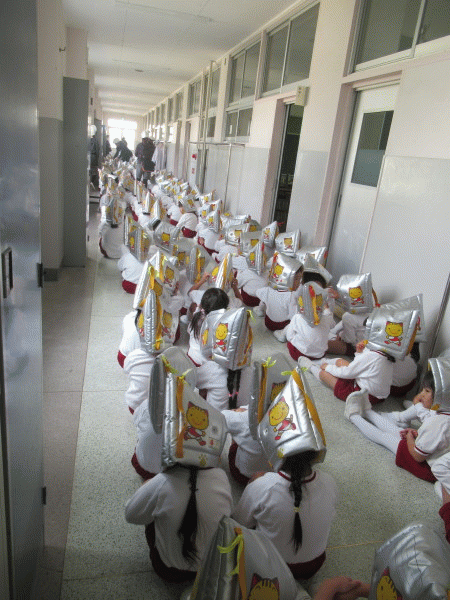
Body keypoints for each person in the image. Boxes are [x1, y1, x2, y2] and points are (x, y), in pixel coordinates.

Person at [233, 449, 338, 579]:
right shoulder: (329, 481)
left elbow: (239, 522)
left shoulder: (263, 486)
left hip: (271, 569)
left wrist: (252, 485)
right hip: (312, 566)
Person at [344, 372, 450, 484]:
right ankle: (367, 411)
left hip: (425, 467)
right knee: (398, 431)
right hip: (431, 455)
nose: (421, 394)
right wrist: (416, 434)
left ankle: (353, 416)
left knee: (385, 437)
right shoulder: (444, 414)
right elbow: (433, 427)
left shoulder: (438, 423)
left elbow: (418, 456)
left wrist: (410, 438)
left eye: (427, 391)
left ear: (443, 396)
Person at [186, 286, 229, 366]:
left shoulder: (197, 315)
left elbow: (189, 331)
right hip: (207, 364)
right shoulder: (222, 324)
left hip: (192, 357)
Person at [88, 125, 100, 190]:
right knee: (94, 171)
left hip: (89, 157)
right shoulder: (96, 141)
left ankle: (89, 182)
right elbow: (97, 151)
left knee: (90, 171)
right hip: (94, 158)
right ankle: (91, 182)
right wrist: (97, 160)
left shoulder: (88, 139)